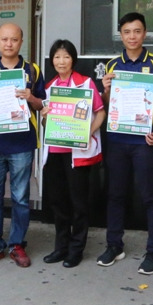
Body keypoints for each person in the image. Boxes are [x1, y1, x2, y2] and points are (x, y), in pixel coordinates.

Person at [98, 12, 153, 275]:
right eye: (127, 32)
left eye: (137, 31)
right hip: (117, 139)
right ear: (121, 35)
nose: (132, 36)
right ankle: (114, 245)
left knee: (151, 196)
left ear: (144, 33)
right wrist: (106, 89)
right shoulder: (112, 65)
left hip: (145, 142)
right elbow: (107, 104)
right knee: (115, 195)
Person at [0, 23, 45, 268]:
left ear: (21, 42)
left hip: (22, 143)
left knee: (20, 198)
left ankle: (17, 244)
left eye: (14, 39)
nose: (9, 44)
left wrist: (31, 98)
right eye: (4, 39)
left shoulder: (32, 70)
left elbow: (42, 104)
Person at [39, 40, 105, 268]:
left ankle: (76, 249)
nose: (61, 61)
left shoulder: (85, 83)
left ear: (73, 59)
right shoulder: (50, 87)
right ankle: (61, 247)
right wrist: (45, 116)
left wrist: (88, 132)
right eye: (57, 57)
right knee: (58, 202)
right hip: (55, 152)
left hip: (78, 153)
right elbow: (47, 124)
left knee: (78, 203)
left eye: (66, 57)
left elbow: (100, 112)